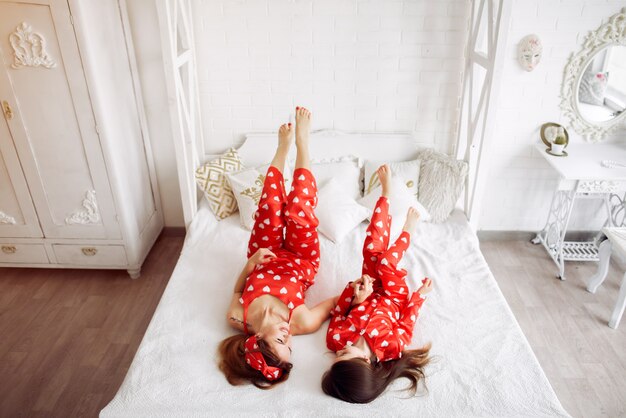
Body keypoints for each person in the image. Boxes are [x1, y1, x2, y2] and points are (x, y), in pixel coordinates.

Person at [218, 107, 336, 389]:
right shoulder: (302, 322)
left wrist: (252, 262)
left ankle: (282, 150)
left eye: (281, 340)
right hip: (300, 259)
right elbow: (334, 303)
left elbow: (237, 290)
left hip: (263, 255)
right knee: (299, 208)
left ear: (257, 339)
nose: (289, 336)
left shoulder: (237, 317)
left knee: (270, 206)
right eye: (290, 345)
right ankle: (303, 143)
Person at [322, 165, 433, 403]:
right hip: (393, 295)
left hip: (370, 287)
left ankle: (385, 195)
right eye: (344, 355)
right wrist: (419, 296)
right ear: (363, 362)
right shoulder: (392, 347)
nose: (338, 351)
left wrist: (356, 295)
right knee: (385, 263)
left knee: (371, 247)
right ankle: (407, 233)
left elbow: (340, 311)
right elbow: (407, 321)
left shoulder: (336, 340)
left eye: (336, 357)